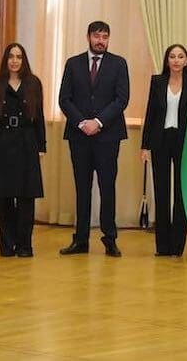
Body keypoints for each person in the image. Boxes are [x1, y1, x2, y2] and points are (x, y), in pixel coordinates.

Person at [58, 21, 129, 257]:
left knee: (107, 187)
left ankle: (110, 239)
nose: (101, 40)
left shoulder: (119, 64)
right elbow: (64, 99)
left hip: (107, 136)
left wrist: (98, 122)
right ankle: (80, 239)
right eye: (97, 36)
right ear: (88, 36)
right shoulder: (73, 63)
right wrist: (82, 123)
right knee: (82, 187)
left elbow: (121, 99)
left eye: (105, 36)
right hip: (79, 136)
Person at [0, 43, 46, 257]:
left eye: (19, 56)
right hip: (3, 144)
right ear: (5, 60)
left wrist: (41, 145)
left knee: (26, 198)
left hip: (27, 143)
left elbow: (40, 117)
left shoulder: (33, 83)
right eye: (11, 56)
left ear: (23, 60)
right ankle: (7, 244)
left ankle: (25, 245)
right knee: (4, 197)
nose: (14, 60)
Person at [141, 44, 187, 257]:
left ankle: (177, 246)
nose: (176, 60)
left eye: (181, 56)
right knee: (162, 193)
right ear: (167, 60)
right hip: (160, 140)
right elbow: (150, 114)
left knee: (181, 194)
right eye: (172, 56)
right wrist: (144, 146)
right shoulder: (157, 81)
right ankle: (162, 246)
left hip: (184, 142)